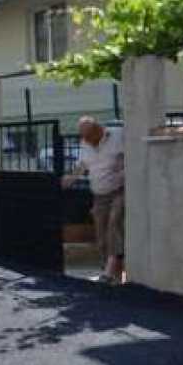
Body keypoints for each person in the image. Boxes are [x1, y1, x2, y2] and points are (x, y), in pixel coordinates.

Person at [63, 116, 125, 284]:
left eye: (89, 136)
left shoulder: (118, 136)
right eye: (84, 137)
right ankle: (112, 274)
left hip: (119, 190)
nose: (87, 141)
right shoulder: (85, 143)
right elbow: (82, 165)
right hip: (99, 194)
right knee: (101, 235)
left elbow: (133, 157)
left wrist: (123, 174)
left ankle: (110, 272)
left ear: (98, 130)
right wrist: (70, 179)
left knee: (114, 224)